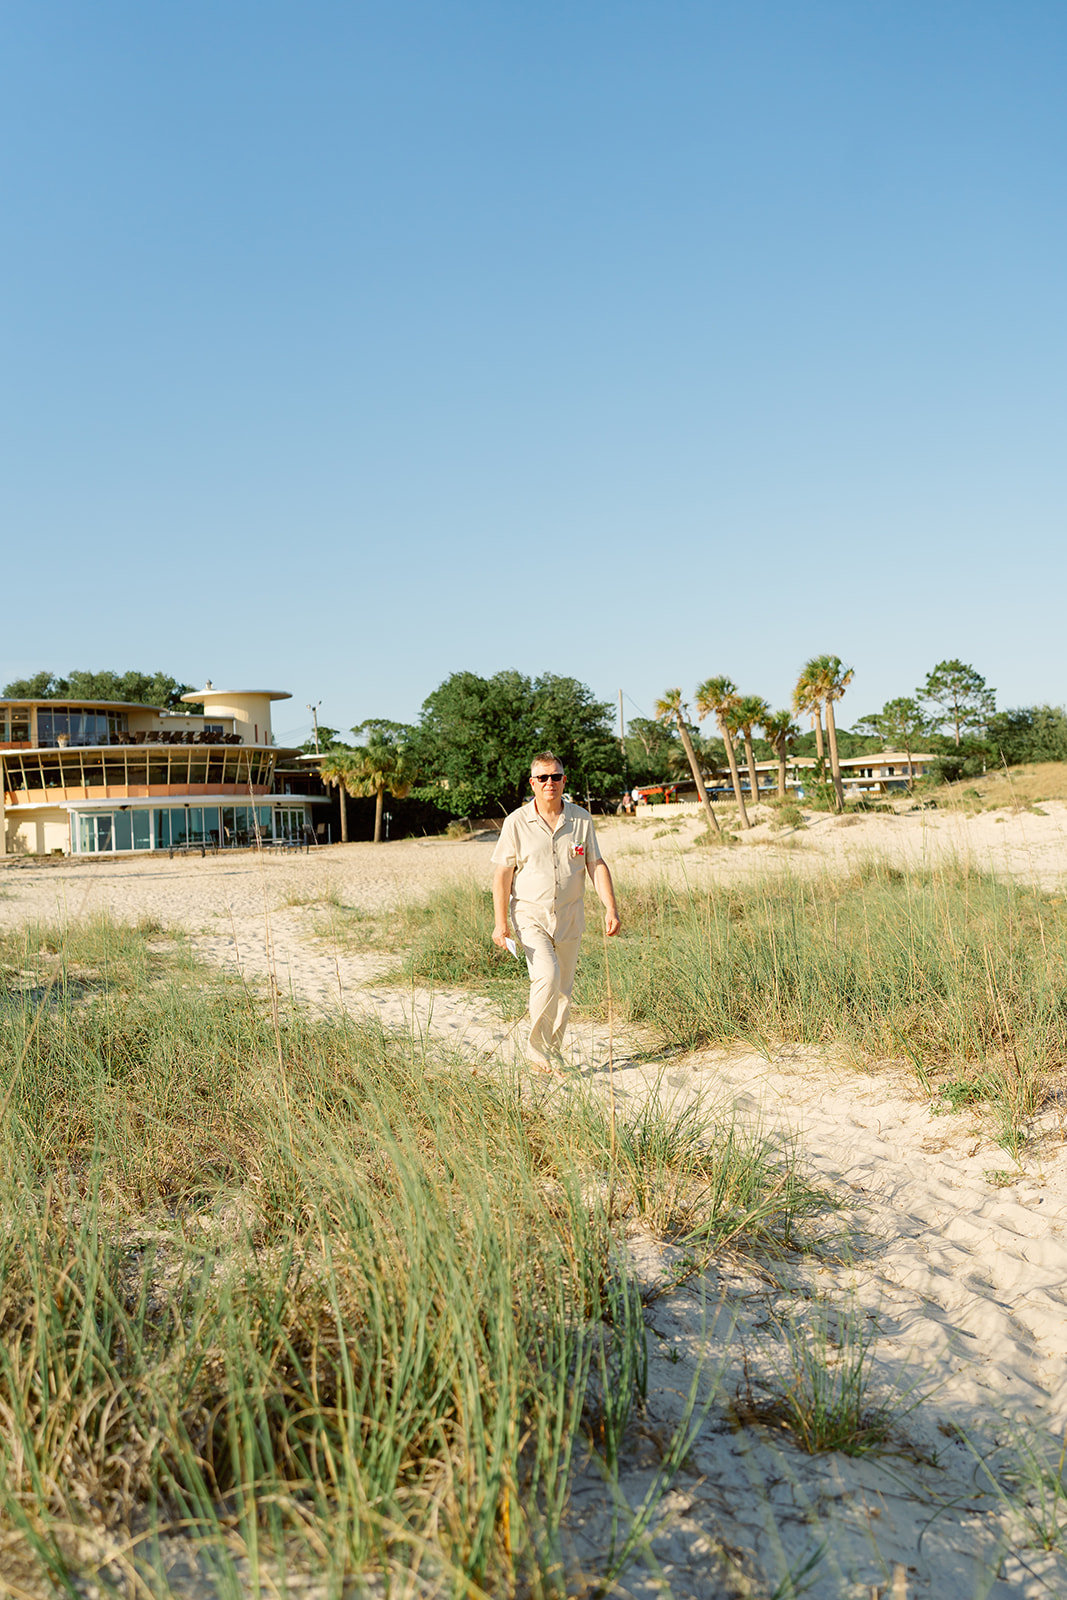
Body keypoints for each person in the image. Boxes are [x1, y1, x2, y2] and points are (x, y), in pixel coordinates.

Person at [491, 752, 620, 1072]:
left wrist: (610, 907)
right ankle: (537, 1052)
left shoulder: (581, 819)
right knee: (546, 977)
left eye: (556, 777)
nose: (550, 782)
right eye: (543, 778)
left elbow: (595, 863)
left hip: (571, 914)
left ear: (564, 780)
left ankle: (552, 1050)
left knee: (563, 989)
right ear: (533, 783)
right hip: (530, 914)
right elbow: (502, 875)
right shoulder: (516, 822)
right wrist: (499, 923)